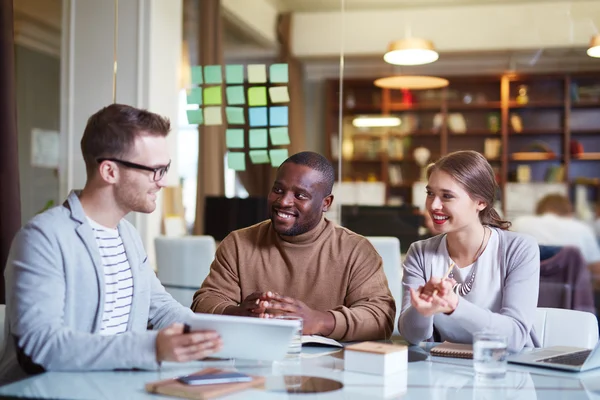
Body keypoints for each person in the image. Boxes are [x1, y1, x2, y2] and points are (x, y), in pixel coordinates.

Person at [0, 104, 221, 385]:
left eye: (165, 169)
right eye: (155, 170)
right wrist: (152, 348)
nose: (163, 182)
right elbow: (40, 344)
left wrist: (220, 334)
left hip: (115, 387)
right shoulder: (43, 238)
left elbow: (162, 307)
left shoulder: (127, 235)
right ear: (109, 171)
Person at [192, 151, 395, 341]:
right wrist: (239, 313)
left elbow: (381, 318)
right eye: (278, 190)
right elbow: (204, 302)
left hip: (332, 366)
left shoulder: (356, 250)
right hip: (257, 362)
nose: (284, 201)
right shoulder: (238, 243)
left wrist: (318, 321)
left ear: (326, 203)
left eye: (300, 195)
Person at [398, 150, 540, 352]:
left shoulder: (519, 248)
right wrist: (423, 310)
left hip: (508, 369)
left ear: (480, 202)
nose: (433, 205)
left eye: (447, 196)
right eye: (430, 193)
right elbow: (412, 336)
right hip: (446, 372)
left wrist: (455, 306)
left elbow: (515, 337)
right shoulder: (420, 252)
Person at [511, 194, 600, 282]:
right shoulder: (582, 229)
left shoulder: (520, 223)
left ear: (538, 211)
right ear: (569, 212)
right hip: (570, 293)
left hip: (526, 288)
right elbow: (597, 271)